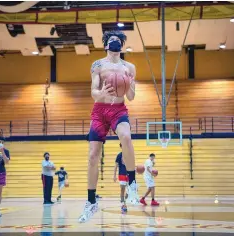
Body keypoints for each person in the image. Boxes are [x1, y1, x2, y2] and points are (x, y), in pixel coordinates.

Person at [79, 30, 139, 223]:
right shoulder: (97, 65)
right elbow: (93, 93)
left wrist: (129, 84)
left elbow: (131, 97)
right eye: (112, 40)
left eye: (118, 40)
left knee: (126, 137)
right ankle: (91, 202)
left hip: (119, 109)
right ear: (106, 44)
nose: (115, 42)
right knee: (92, 156)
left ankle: (132, 184)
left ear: (121, 44)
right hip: (99, 111)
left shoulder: (129, 67)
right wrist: (101, 92)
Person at [113, 143, 129, 213]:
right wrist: (114, 175)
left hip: (128, 174)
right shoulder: (119, 155)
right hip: (121, 174)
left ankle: (124, 201)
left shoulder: (129, 154)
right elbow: (116, 166)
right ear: (121, 147)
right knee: (122, 189)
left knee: (129, 191)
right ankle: (123, 205)